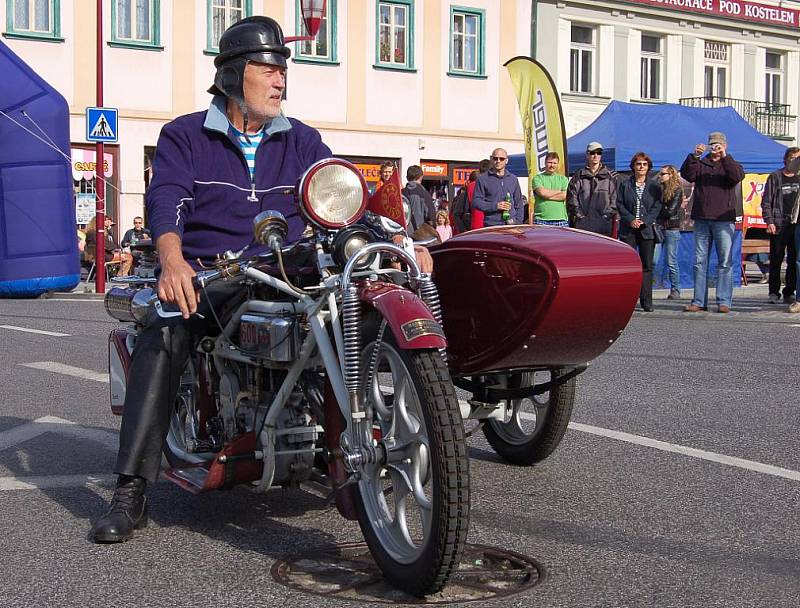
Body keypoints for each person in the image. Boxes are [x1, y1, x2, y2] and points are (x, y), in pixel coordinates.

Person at [88, 16, 434, 544]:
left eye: (283, 70)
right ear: (232, 75)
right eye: (268, 68)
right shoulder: (184, 135)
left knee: (352, 308)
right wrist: (172, 257)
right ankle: (130, 488)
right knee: (167, 326)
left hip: (286, 268)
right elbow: (168, 199)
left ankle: (359, 443)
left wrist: (400, 243)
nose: (280, 80)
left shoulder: (302, 140)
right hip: (215, 272)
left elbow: (338, 200)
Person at [680, 131, 745, 313]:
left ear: (725, 145)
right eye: (713, 144)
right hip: (702, 219)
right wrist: (695, 156)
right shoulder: (701, 163)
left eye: (719, 145)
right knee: (700, 262)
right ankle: (699, 301)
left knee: (725, 262)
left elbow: (737, 176)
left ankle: (724, 301)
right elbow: (687, 174)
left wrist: (725, 157)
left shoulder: (730, 163)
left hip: (724, 220)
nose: (715, 148)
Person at [616, 152, 664, 312]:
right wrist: (630, 219)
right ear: (633, 167)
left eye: (644, 164)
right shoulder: (625, 184)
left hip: (646, 230)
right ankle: (626, 300)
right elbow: (620, 204)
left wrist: (646, 221)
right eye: (638, 164)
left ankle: (646, 300)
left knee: (647, 266)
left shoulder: (654, 186)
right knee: (628, 265)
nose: (641, 167)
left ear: (648, 167)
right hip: (628, 229)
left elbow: (658, 205)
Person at [761, 146, 799, 305]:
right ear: (786, 160)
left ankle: (789, 291)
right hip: (779, 222)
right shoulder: (775, 177)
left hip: (795, 223)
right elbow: (766, 201)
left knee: (794, 259)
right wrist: (769, 221)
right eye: (793, 158)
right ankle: (773, 292)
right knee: (776, 259)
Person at [566, 142, 618, 236]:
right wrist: (580, 217)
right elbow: (572, 199)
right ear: (587, 155)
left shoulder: (611, 176)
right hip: (583, 227)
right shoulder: (578, 176)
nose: (595, 155)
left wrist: (606, 217)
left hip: (604, 227)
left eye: (598, 153)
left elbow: (615, 200)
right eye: (592, 153)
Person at [472, 148, 524, 226]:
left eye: (502, 159)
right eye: (495, 158)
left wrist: (518, 222)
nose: (498, 161)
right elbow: (476, 202)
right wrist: (496, 206)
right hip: (492, 225)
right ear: (491, 159)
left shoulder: (513, 179)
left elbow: (519, 203)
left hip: (511, 225)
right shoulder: (483, 179)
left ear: (506, 160)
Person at [657, 165, 684, 299]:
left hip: (671, 228)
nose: (660, 176)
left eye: (663, 174)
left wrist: (659, 209)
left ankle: (676, 289)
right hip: (659, 227)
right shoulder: (657, 189)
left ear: (671, 175)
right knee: (653, 260)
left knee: (671, 261)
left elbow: (670, 211)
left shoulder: (677, 190)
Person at [532, 151, 569, 226]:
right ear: (545, 163)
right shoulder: (537, 178)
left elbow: (565, 195)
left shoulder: (563, 179)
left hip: (560, 219)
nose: (552, 165)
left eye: (554, 163)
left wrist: (547, 195)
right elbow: (542, 193)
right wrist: (559, 191)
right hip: (541, 219)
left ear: (558, 164)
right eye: (550, 162)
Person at [401, 165, 436, 234]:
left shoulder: (400, 193)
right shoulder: (424, 193)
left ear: (407, 178)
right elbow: (431, 216)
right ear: (421, 177)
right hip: (420, 235)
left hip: (403, 234)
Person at [469, 159, 492, 230]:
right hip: (493, 226)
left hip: (476, 226)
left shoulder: (471, 186)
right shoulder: (496, 184)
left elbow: (463, 210)